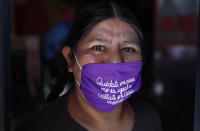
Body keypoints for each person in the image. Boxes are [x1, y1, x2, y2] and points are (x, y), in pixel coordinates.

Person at [14, 1, 162, 131]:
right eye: (98, 47)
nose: (116, 60)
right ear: (70, 59)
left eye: (128, 49)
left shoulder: (149, 117)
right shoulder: (40, 127)